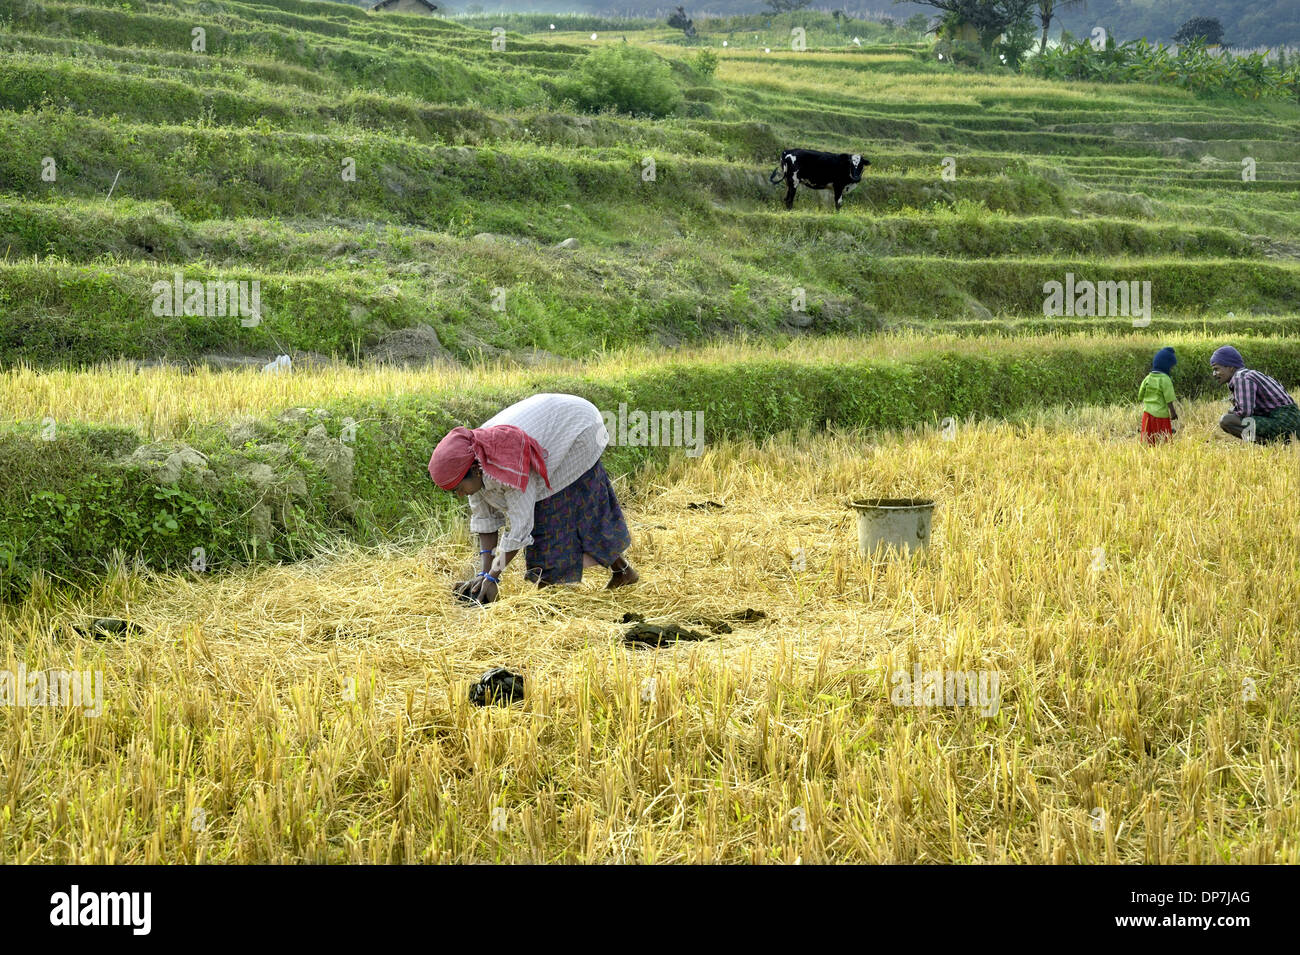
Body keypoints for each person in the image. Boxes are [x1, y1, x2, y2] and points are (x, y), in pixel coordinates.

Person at [428, 393, 638, 604]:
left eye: (459, 488)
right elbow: (486, 521)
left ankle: (550, 601)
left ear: (475, 470)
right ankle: (623, 572)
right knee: (563, 510)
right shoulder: (470, 460)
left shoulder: (507, 467)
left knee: (549, 517)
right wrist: (484, 574)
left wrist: (494, 576)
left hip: (579, 427)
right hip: (554, 422)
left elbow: (521, 528)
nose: (460, 494)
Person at [1210, 345, 1300, 444]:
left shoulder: (1240, 378)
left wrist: (1231, 410)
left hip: (1284, 422)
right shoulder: (1247, 374)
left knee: (1226, 421)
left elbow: (1244, 413)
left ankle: (1272, 445)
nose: (1214, 374)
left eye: (1216, 369)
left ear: (1230, 367)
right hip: (1291, 421)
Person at [1138, 346, 1179, 444]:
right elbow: (1169, 399)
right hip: (1161, 416)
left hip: (1147, 414)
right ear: (1166, 365)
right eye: (1171, 367)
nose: (1171, 369)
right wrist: (1173, 413)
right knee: (1163, 442)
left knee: (1148, 441)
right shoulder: (1165, 379)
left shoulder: (1147, 378)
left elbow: (1140, 395)